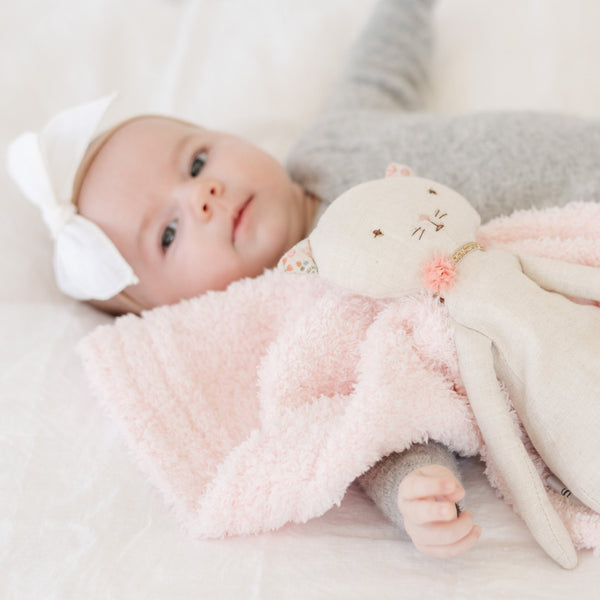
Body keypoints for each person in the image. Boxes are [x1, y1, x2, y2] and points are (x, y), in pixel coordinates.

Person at [7, 0, 600, 558]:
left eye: (196, 162)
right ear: (177, 306)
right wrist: (413, 488)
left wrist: (405, 9)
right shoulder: (313, 314)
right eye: (168, 233)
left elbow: (384, 70)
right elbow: (378, 410)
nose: (203, 195)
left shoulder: (331, 136)